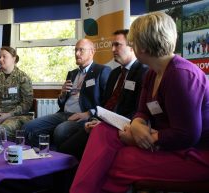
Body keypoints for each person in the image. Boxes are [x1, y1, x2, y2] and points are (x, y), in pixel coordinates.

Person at [70, 12, 209, 193]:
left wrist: (144, 138)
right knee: (102, 130)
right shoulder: (152, 73)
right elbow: (142, 111)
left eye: (132, 42)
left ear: (142, 46)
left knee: (116, 160)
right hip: (165, 143)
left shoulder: (181, 75)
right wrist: (136, 124)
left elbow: (187, 135)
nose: (132, 46)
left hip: (195, 154)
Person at [58, 29, 148, 161]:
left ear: (132, 47)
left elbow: (138, 111)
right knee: (65, 149)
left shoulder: (144, 72)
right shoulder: (115, 73)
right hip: (102, 122)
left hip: (123, 128)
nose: (112, 49)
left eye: (117, 45)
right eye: (112, 45)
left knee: (69, 147)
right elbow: (106, 104)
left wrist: (107, 124)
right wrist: (96, 119)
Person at [23, 38, 111, 148]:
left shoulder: (101, 71)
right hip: (64, 114)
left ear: (92, 51)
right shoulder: (72, 74)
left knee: (60, 131)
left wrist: (89, 113)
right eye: (75, 50)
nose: (77, 53)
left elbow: (108, 101)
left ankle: (58, 158)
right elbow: (62, 103)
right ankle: (46, 155)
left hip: (83, 116)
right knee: (28, 127)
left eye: (81, 50)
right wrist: (62, 94)